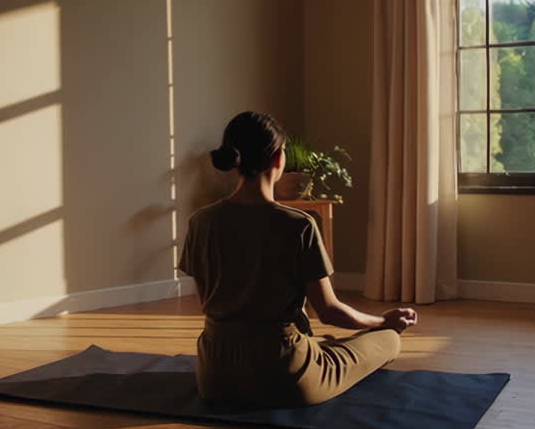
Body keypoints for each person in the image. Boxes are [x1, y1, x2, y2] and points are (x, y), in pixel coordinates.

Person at [178, 111, 418, 408]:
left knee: (326, 345)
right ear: (279, 159)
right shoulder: (298, 225)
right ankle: (364, 341)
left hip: (216, 378)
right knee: (388, 341)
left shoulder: (200, 221)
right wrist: (383, 321)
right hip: (283, 376)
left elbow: (208, 301)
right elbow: (329, 312)